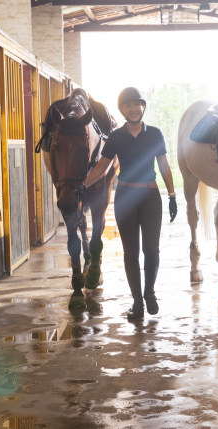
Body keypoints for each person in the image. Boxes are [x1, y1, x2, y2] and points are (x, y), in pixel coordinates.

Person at [83, 87, 177, 320]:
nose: (134, 109)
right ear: (122, 110)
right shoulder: (116, 137)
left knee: (151, 250)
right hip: (126, 197)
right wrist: (81, 188)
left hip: (150, 197)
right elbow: (102, 168)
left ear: (143, 106)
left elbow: (164, 166)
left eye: (137, 104)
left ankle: (150, 293)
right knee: (130, 252)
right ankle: (137, 302)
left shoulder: (155, 134)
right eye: (128, 105)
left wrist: (173, 196)